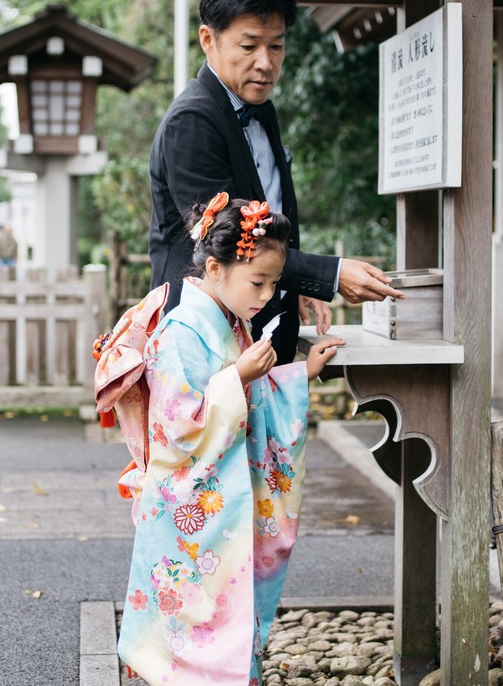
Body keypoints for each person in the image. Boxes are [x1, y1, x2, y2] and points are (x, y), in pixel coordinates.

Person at [96, 193, 345, 684]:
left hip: (221, 502)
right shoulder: (180, 331)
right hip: (189, 504)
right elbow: (179, 426)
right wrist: (236, 376)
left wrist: (300, 375)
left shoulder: (232, 321)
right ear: (214, 266)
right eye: (258, 281)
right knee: (192, 605)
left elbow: (252, 396)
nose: (265, 294)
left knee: (225, 596)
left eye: (274, 283)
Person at [148, 0, 402, 364]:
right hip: (205, 346)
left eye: (277, 46)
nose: (265, 63)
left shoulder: (261, 110)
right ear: (207, 40)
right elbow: (228, 239)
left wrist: (290, 282)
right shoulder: (193, 120)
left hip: (257, 333)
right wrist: (330, 274)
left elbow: (264, 228)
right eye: (249, 46)